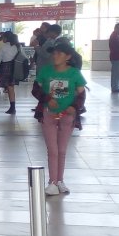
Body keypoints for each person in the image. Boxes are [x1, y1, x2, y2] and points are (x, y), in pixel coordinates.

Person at [34, 41, 87, 196]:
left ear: (68, 57)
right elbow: (36, 89)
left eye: (59, 53)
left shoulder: (74, 73)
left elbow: (82, 93)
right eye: (54, 53)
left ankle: (60, 180)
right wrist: (46, 99)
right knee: (52, 149)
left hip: (67, 116)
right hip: (48, 114)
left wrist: (75, 107)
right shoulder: (45, 71)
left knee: (62, 149)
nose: (55, 56)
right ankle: (52, 182)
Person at [0, 32, 19, 113]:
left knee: (9, 88)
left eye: (3, 37)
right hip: (15, 67)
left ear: (6, 38)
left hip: (6, 67)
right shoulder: (17, 46)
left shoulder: (3, 47)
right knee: (11, 87)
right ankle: (13, 107)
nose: (2, 39)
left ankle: (12, 108)